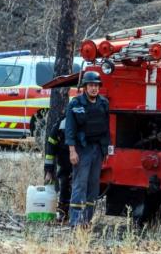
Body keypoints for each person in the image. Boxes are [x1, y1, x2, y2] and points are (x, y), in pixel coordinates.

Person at [65, 71, 110, 227]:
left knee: (93, 186)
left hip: (98, 150)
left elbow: (106, 129)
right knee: (80, 184)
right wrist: (72, 151)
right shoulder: (75, 104)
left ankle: (87, 220)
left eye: (96, 85)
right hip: (81, 149)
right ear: (85, 87)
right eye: (91, 85)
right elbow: (69, 129)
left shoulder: (103, 103)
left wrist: (106, 150)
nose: (94, 88)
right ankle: (75, 221)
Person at [44, 116, 72, 221]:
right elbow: (50, 152)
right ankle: (63, 212)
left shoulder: (82, 122)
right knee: (64, 183)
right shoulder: (58, 127)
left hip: (79, 160)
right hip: (64, 161)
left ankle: (76, 213)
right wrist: (49, 171)